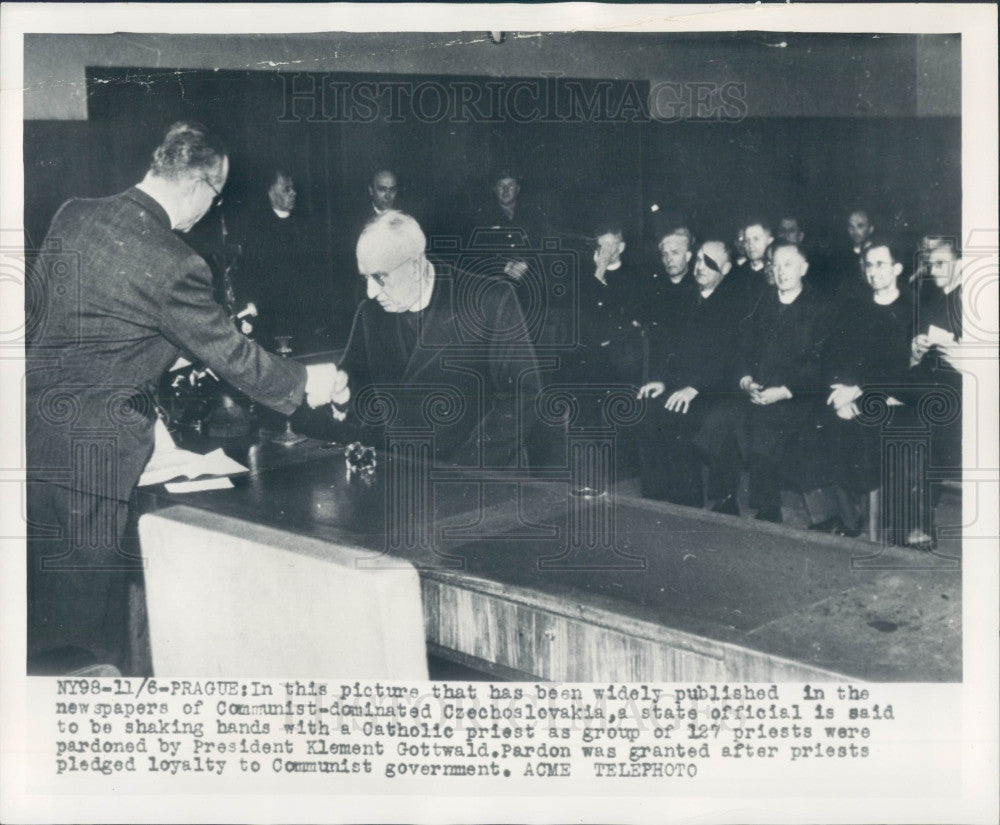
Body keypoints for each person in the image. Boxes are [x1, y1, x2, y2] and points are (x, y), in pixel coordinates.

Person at [25, 121, 348, 672]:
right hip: (92, 464)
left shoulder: (72, 214)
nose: (209, 212)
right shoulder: (175, 260)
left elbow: (77, 328)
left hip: (28, 444)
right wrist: (306, 384)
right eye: (216, 197)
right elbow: (238, 361)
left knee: (33, 630)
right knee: (84, 648)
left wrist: (185, 343)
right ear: (201, 185)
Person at [332, 210, 544, 468]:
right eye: (365, 277)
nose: (371, 291)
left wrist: (463, 468)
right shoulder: (370, 314)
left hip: (480, 476)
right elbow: (356, 389)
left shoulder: (489, 299)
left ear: (415, 266)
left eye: (379, 277)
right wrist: (343, 394)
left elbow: (524, 396)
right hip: (402, 477)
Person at [697, 241, 832, 522]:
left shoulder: (818, 308)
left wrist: (782, 392)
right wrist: (745, 378)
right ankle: (726, 497)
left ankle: (768, 505)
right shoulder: (763, 300)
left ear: (803, 268)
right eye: (777, 265)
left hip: (796, 396)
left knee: (762, 424)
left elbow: (818, 364)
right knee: (724, 416)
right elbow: (742, 346)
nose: (781, 272)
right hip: (757, 390)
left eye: (788, 265)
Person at [637, 240, 744, 505]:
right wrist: (661, 380)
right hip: (683, 385)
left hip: (719, 389)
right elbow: (668, 348)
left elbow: (729, 359)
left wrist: (694, 387)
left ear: (726, 268)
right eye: (698, 260)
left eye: (709, 263)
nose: (700, 267)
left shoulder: (736, 305)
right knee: (649, 408)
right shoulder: (683, 298)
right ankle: (658, 500)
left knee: (685, 416)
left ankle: (695, 503)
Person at [823, 238, 914, 536]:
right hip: (857, 394)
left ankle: (880, 521)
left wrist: (857, 392)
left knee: (867, 430)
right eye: (868, 265)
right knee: (829, 421)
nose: (873, 272)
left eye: (880, 264)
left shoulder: (910, 309)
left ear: (898, 268)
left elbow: (899, 368)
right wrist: (842, 394)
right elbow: (838, 354)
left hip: (895, 396)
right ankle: (849, 520)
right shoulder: (855, 308)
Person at [231, 167, 328, 345]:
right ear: (270, 192)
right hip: (270, 317)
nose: (293, 193)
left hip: (304, 315)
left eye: (293, 188)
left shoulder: (306, 225)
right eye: (286, 189)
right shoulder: (255, 229)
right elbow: (249, 277)